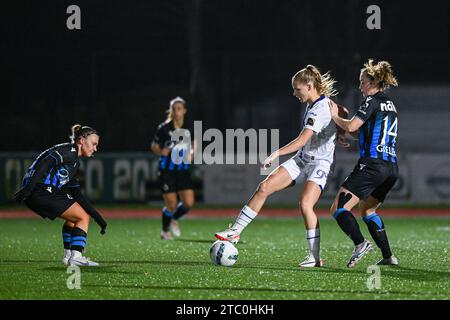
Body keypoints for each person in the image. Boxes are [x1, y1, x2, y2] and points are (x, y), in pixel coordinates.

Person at [215, 65, 347, 268]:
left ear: (310, 86)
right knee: (264, 187)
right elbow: (342, 110)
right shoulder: (318, 103)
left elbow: (302, 140)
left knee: (305, 204)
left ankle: (314, 257)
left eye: (297, 89)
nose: (294, 93)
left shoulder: (319, 109)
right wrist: (339, 129)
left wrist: (276, 153)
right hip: (302, 160)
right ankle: (235, 232)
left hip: (319, 163)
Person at [328, 59, 399, 268]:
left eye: (362, 82)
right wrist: (346, 136)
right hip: (391, 168)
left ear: (373, 81)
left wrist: (334, 116)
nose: (360, 86)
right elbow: (362, 133)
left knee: (338, 208)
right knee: (368, 210)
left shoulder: (372, 101)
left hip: (372, 165)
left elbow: (351, 125)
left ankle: (360, 244)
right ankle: (388, 256)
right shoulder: (390, 105)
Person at [13, 124, 107, 267]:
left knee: (73, 219)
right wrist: (28, 189)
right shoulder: (69, 152)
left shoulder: (73, 161)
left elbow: (78, 195)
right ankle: (77, 256)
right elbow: (46, 162)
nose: (95, 149)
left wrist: (99, 218)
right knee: (82, 217)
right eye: (93, 144)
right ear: (81, 140)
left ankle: (68, 256)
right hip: (41, 190)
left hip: (40, 191)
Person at [151, 97, 195, 240]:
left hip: (183, 169)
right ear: (171, 111)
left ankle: (174, 218)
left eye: (179, 109)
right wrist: (160, 151)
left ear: (184, 111)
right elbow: (154, 146)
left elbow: (194, 144)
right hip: (167, 170)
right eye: (174, 109)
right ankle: (165, 231)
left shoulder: (189, 128)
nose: (176, 111)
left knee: (188, 203)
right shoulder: (163, 128)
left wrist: (192, 153)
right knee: (172, 203)